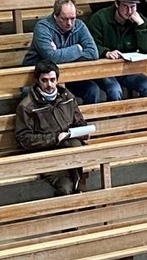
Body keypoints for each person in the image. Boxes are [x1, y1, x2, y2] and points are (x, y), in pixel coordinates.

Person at [13, 61, 91, 196]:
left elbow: (79, 121)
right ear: (37, 81)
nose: (49, 85)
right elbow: (24, 139)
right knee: (66, 187)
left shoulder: (68, 97)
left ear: (57, 80)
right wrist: (55, 138)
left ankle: (82, 204)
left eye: (52, 80)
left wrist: (83, 131)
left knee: (75, 151)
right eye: (45, 80)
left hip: (72, 153)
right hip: (47, 157)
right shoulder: (27, 106)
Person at [27, 0, 113, 104]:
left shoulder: (79, 25)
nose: (69, 23)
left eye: (73, 18)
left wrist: (60, 53)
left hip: (70, 75)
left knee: (92, 90)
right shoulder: (42, 27)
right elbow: (51, 57)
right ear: (55, 16)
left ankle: (86, 120)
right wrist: (78, 48)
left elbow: (93, 53)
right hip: (42, 78)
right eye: (65, 19)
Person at [86, 0, 147, 99]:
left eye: (133, 7)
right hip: (105, 69)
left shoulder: (139, 20)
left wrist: (140, 25)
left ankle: (140, 116)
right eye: (125, 6)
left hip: (128, 69)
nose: (129, 11)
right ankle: (115, 117)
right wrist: (106, 53)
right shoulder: (99, 18)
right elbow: (90, 45)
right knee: (115, 91)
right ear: (116, 4)